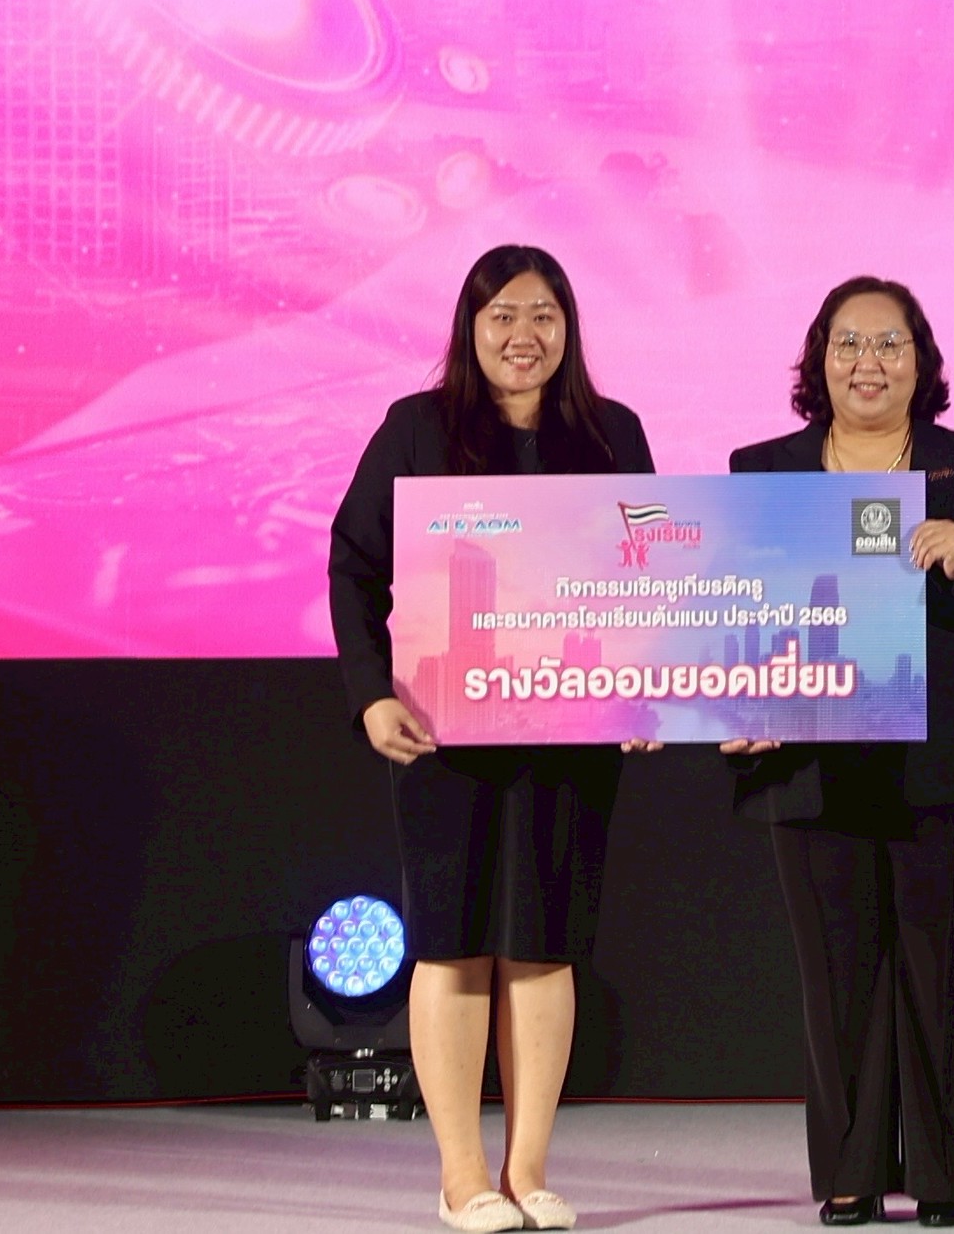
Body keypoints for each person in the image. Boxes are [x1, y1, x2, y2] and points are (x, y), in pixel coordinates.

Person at [330, 245, 656, 1234]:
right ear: (469, 327)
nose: (525, 334)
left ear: (569, 327)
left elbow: (650, 571)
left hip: (573, 726)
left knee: (547, 943)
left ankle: (530, 1171)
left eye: (544, 314)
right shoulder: (416, 426)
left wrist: (650, 691)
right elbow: (353, 562)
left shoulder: (612, 431)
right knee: (455, 941)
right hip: (445, 730)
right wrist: (368, 695)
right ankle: (461, 1175)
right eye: (503, 315)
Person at [723, 277, 954, 1230]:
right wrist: (730, 702)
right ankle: (850, 1171)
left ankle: (947, 1175)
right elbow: (726, 607)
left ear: (921, 361)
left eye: (889, 343)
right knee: (836, 976)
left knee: (951, 971)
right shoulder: (762, 472)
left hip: (950, 758)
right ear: (818, 360)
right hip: (806, 758)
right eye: (848, 343)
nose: (867, 362)